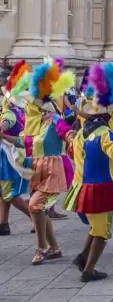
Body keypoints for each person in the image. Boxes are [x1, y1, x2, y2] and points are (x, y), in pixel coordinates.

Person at [64, 62, 113, 282]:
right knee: (102, 232)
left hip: (86, 187)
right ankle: (89, 270)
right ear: (108, 116)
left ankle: (82, 257)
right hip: (102, 187)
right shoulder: (105, 133)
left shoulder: (81, 135)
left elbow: (74, 155)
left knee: (96, 227)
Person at [6, 58, 76, 264]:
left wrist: (74, 138)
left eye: (31, 104)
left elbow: (66, 132)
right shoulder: (35, 126)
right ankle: (54, 247)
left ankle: (42, 247)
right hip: (36, 169)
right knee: (40, 209)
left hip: (52, 170)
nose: (27, 107)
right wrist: (3, 137)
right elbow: (23, 142)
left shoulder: (54, 120)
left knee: (35, 206)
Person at [0, 61, 32, 236]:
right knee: (3, 192)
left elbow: (3, 127)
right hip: (11, 155)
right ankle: (3, 224)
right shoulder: (18, 111)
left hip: (10, 158)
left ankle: (36, 217)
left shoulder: (10, 113)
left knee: (9, 194)